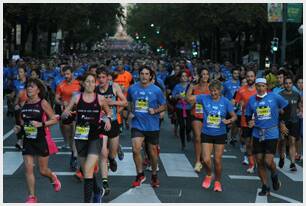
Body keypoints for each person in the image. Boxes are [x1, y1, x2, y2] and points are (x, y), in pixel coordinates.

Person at [62, 73, 112, 203]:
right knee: (86, 172)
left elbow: (109, 113)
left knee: (89, 172)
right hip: (80, 137)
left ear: (95, 84)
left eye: (92, 81)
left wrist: (107, 120)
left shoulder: (100, 99)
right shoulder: (76, 98)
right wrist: (65, 114)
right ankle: (97, 191)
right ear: (83, 84)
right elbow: (64, 114)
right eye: (87, 81)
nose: (90, 84)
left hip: (95, 138)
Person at [14, 78, 61, 203]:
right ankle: (32, 197)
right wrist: (19, 127)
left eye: (32, 86)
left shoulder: (43, 103)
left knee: (42, 171)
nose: (29, 88)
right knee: (28, 168)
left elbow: (54, 119)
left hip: (41, 140)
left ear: (38, 90)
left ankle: (52, 177)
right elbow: (22, 122)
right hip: (28, 140)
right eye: (28, 86)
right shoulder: (24, 104)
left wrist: (41, 124)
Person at [188, 80, 237, 192]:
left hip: (220, 134)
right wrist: (190, 87)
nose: (213, 93)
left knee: (217, 160)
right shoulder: (204, 98)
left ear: (220, 91)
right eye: (211, 91)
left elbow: (234, 116)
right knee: (205, 160)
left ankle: (218, 181)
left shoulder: (225, 102)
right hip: (206, 132)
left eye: (215, 91)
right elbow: (189, 99)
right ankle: (209, 174)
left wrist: (229, 120)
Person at [246, 78, 288, 196]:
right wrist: (250, 121)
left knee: (268, 161)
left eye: (263, 86)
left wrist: (283, 122)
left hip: (271, 132)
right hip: (257, 133)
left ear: (266, 87)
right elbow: (248, 114)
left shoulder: (274, 97)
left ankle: (274, 175)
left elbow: (287, 107)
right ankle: (265, 186)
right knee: (259, 161)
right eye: (258, 86)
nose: (260, 88)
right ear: (255, 87)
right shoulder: (251, 100)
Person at [127, 66, 166, 188]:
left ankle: (154, 175)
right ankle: (140, 174)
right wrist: (130, 112)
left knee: (152, 153)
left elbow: (164, 106)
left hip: (152, 126)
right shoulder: (132, 88)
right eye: (142, 74)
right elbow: (128, 102)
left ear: (150, 76)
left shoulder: (156, 90)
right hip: (137, 124)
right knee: (135, 149)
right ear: (139, 75)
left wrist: (155, 111)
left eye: (146, 74)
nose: (144, 76)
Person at [96, 67, 128, 195]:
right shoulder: (95, 89)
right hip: (101, 123)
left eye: (104, 77)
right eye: (99, 77)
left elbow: (125, 102)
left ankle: (113, 158)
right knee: (103, 153)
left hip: (114, 122)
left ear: (107, 77)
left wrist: (112, 102)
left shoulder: (114, 87)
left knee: (111, 154)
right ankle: (105, 183)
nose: (101, 80)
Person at [55, 65, 80, 172]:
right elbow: (56, 99)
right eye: (65, 74)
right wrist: (61, 102)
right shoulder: (61, 85)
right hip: (66, 112)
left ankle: (74, 157)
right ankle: (72, 150)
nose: (66, 76)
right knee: (69, 134)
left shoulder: (78, 84)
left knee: (75, 134)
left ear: (73, 73)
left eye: (68, 74)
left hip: (77, 112)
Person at [186, 68, 210, 173]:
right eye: (203, 74)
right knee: (197, 137)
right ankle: (197, 162)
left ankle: (204, 157)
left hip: (209, 116)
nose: (205, 76)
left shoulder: (211, 88)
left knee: (207, 139)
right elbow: (187, 99)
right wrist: (190, 87)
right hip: (196, 114)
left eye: (207, 74)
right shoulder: (194, 87)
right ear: (200, 76)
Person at [234, 70, 257, 173]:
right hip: (245, 121)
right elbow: (236, 103)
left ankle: (257, 162)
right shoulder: (241, 90)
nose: (250, 78)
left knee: (256, 143)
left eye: (252, 76)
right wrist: (239, 105)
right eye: (248, 76)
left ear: (255, 77)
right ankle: (252, 164)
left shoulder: (260, 89)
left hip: (259, 121)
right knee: (248, 144)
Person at [279, 76, 302, 171]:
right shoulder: (279, 95)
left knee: (292, 141)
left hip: (294, 121)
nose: (288, 85)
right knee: (283, 141)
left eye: (290, 83)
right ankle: (282, 157)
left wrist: (300, 111)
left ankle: (292, 163)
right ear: (283, 84)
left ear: (292, 84)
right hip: (283, 122)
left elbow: (299, 106)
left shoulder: (296, 94)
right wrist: (279, 111)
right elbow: (276, 108)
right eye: (286, 83)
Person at [171, 71, 192, 150]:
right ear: (180, 78)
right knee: (182, 126)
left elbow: (194, 96)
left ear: (188, 77)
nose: (184, 77)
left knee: (189, 125)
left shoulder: (190, 86)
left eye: (185, 76)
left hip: (189, 107)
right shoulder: (177, 86)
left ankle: (188, 133)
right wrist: (177, 96)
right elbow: (173, 96)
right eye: (182, 76)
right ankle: (183, 142)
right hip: (179, 107)